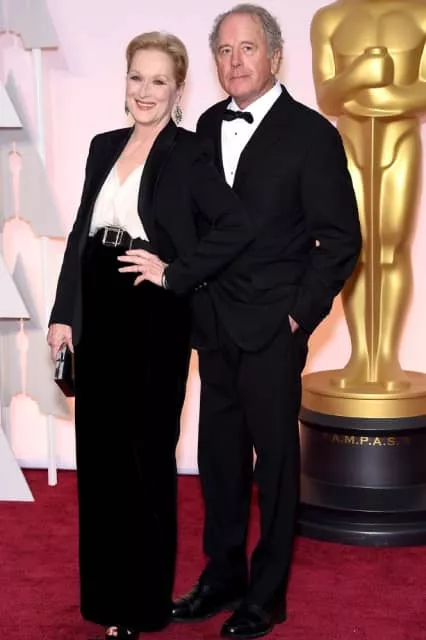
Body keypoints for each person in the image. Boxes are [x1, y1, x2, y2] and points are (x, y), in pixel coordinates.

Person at [47, 31, 252, 640]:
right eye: (137, 77)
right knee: (101, 461)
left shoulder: (189, 153)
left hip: (151, 311)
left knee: (145, 460)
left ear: (178, 89)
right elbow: (80, 232)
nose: (145, 90)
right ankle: (106, 601)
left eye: (159, 80)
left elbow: (236, 224)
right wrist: (63, 314)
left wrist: (175, 271)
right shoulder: (102, 145)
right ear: (126, 80)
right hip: (97, 303)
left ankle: (140, 606)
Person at [168, 5, 362, 638]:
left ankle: (267, 596)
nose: (235, 61)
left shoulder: (312, 134)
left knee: (275, 467)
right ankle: (221, 577)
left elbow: (340, 240)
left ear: (275, 56)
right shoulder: (205, 125)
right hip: (214, 323)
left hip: (273, 327)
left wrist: (298, 316)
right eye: (224, 51)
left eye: (247, 48)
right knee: (219, 460)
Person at [310, 0, 426, 392]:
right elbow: (327, 97)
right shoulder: (330, 18)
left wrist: (380, 99)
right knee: (354, 250)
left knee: (391, 249)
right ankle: (361, 355)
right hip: (348, 143)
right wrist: (359, 75)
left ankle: (386, 357)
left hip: (400, 140)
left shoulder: (421, 14)